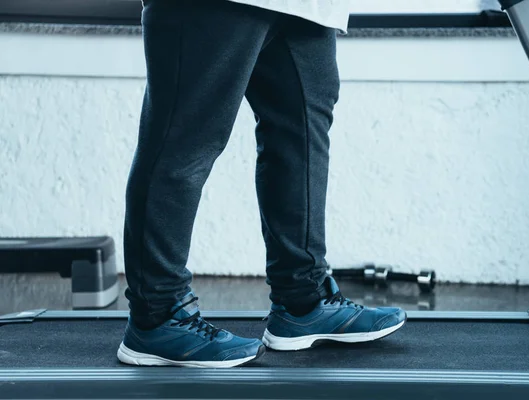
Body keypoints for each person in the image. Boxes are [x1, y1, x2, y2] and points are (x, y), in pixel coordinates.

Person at [117, 0, 407, 368]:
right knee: (184, 139)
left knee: (301, 136)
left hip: (309, 7)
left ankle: (303, 300)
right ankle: (156, 317)